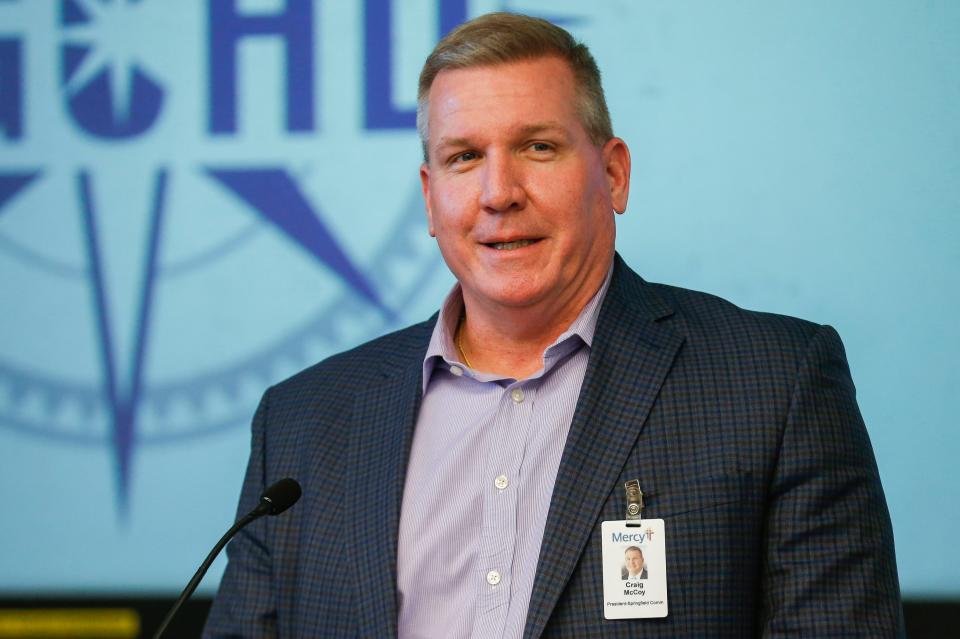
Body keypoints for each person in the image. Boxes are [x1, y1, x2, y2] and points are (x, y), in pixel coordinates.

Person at [204, 12, 905, 638]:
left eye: (538, 147)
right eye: (464, 157)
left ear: (615, 173)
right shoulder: (302, 423)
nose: (499, 192)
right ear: (430, 196)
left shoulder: (773, 385)